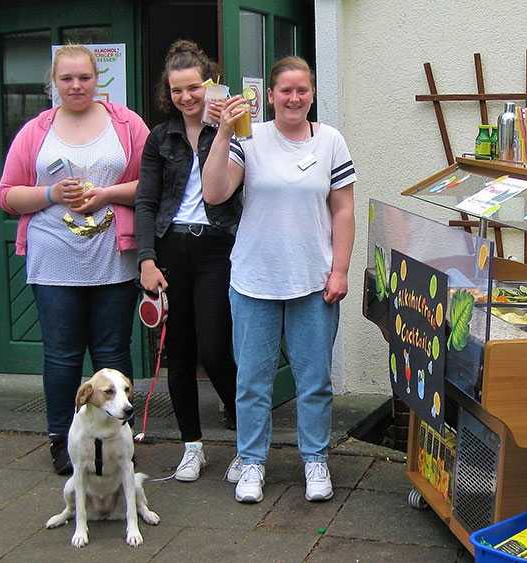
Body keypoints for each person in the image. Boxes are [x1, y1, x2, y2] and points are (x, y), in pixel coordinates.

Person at [202, 56, 356, 503]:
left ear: (311, 94)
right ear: (268, 96)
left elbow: (342, 208)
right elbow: (215, 192)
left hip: (313, 279)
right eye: (285, 90)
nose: (294, 98)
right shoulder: (250, 138)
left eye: (302, 90)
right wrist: (224, 131)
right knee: (252, 379)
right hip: (254, 279)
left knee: (315, 380)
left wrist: (340, 268)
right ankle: (251, 462)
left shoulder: (330, 141)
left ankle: (315, 460)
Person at [0, 44, 150, 474]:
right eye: (67, 78)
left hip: (112, 259)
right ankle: (63, 441)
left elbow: (150, 182)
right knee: (62, 355)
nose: (76, 85)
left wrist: (106, 194)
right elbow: (7, 195)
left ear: (97, 78)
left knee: (112, 351)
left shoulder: (125, 123)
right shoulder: (36, 130)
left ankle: (117, 439)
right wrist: (50, 193)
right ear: (54, 82)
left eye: (84, 77)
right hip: (54, 262)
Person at [135, 40, 242, 482]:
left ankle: (245, 436)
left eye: (194, 88)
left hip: (218, 247)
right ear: (169, 92)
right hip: (170, 250)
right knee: (178, 354)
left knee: (215, 350)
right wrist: (146, 259)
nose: (186, 97)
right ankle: (192, 446)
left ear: (209, 83)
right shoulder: (161, 137)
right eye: (177, 90)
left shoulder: (237, 129)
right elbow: (145, 201)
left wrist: (228, 128)